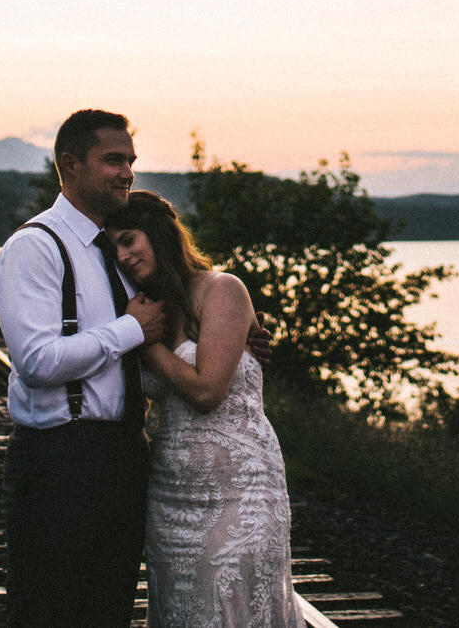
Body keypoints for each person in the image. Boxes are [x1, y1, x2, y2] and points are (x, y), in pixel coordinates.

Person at [0, 110, 168, 628]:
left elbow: (162, 329)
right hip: (59, 463)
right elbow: (38, 361)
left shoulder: (116, 249)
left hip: (124, 457)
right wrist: (128, 330)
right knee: (49, 612)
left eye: (131, 161)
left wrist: (241, 338)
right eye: (114, 160)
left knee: (109, 610)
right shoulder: (34, 248)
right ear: (70, 165)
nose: (128, 173)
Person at [105, 189, 306, 628]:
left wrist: (145, 341)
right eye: (113, 248)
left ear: (158, 234)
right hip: (170, 497)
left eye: (128, 240)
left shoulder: (221, 289)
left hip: (242, 493)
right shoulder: (148, 310)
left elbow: (207, 391)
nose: (122, 256)